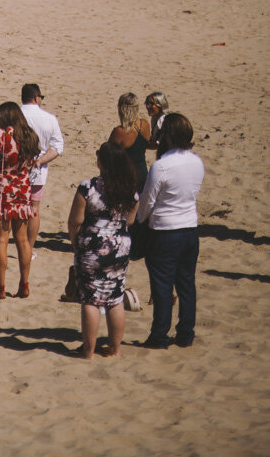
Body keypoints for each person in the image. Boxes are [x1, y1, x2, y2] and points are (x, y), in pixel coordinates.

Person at [138, 113, 205, 349]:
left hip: (165, 230)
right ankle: (186, 333)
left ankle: (159, 334)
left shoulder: (161, 166)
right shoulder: (197, 162)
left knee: (162, 285)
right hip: (189, 228)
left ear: (167, 136)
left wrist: (139, 221)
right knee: (187, 284)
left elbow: (147, 202)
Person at [68, 141, 139, 358]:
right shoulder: (129, 189)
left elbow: (75, 221)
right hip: (120, 245)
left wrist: (76, 242)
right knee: (115, 298)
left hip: (93, 246)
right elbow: (131, 219)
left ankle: (88, 351)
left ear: (103, 162)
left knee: (90, 299)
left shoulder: (88, 187)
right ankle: (115, 349)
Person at [0, 101, 39, 299]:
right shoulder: (28, 135)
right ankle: (24, 284)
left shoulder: (0, 135)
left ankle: (0, 288)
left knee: (1, 240)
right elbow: (32, 162)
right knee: (23, 240)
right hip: (23, 188)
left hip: (3, 188)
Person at [21, 83, 64, 248]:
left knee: (13, 208)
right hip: (37, 170)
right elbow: (58, 147)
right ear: (36, 97)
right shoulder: (49, 119)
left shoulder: (15, 115)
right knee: (33, 209)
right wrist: (40, 160)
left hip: (15, 170)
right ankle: (28, 248)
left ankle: (14, 245)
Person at [109, 92, 151, 192]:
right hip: (142, 173)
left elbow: (109, 156)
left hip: (125, 177)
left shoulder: (119, 132)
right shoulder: (144, 124)